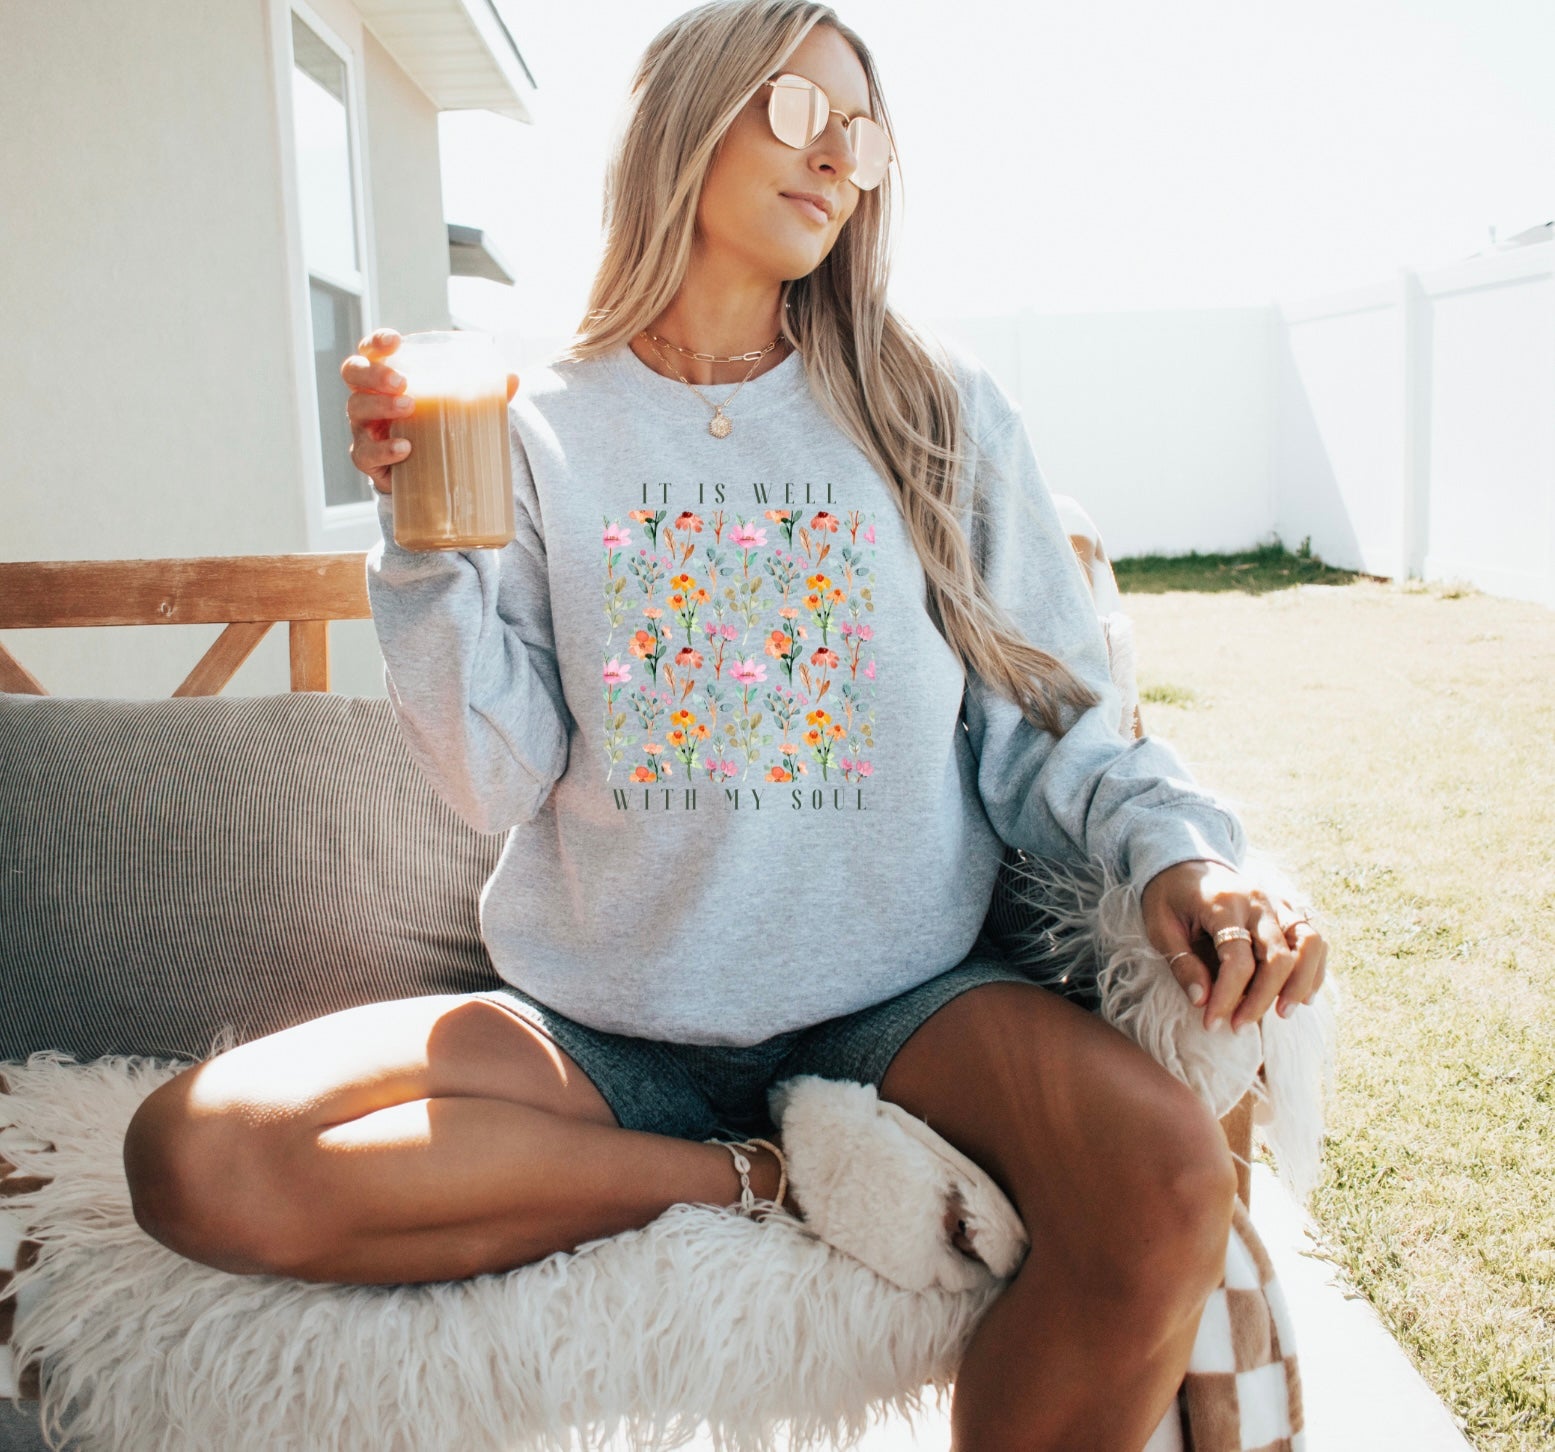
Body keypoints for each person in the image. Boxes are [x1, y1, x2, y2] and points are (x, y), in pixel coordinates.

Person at [123, 2, 1328, 1446]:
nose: (836, 160)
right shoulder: (529, 423)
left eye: (861, 137)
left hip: (900, 1010)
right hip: (603, 1031)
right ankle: (764, 1176)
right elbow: (493, 777)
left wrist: (1181, 853)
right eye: (799, 111)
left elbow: (1051, 720)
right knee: (199, 1158)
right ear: (687, 114)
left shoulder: (931, 406)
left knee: (1170, 1181)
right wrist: (423, 545)